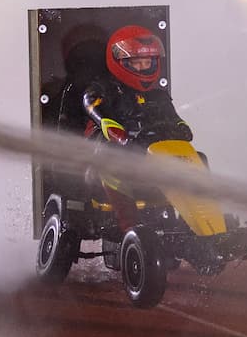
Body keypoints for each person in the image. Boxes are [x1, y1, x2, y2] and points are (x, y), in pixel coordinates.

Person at [80, 25, 193, 229]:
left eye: (147, 62)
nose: (143, 67)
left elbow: (176, 120)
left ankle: (194, 224)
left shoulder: (158, 96)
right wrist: (124, 139)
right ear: (121, 62)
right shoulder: (100, 91)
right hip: (106, 164)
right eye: (137, 62)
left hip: (151, 161)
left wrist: (181, 129)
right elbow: (104, 121)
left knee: (196, 159)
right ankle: (129, 226)